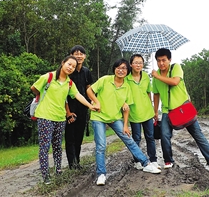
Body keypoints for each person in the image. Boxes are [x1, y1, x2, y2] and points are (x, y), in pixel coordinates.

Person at [86, 58, 161, 186]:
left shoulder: (127, 86)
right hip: (99, 116)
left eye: (124, 68)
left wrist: (126, 125)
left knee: (129, 140)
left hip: (115, 117)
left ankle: (146, 163)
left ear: (127, 71)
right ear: (114, 69)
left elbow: (127, 109)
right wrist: (96, 102)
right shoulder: (105, 80)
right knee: (101, 146)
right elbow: (89, 91)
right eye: (118, 68)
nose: (121, 70)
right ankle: (101, 174)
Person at [151, 48, 209, 175]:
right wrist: (155, 111)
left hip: (183, 109)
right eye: (158, 61)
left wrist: (157, 76)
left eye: (164, 60)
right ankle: (168, 161)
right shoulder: (155, 79)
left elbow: (174, 81)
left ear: (169, 60)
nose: (161, 63)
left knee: (198, 136)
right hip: (167, 111)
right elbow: (156, 95)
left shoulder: (176, 67)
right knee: (164, 136)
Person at [30, 55, 98, 185]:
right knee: (44, 147)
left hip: (60, 118)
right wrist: (42, 97)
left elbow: (78, 95)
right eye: (69, 64)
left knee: (57, 146)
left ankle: (58, 170)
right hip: (45, 116)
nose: (71, 68)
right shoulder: (48, 77)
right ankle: (45, 176)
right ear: (62, 63)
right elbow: (34, 88)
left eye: (73, 66)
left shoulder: (69, 83)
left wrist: (90, 105)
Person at [126, 54, 159, 170]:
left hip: (147, 112)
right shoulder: (126, 78)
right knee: (137, 138)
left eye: (140, 62)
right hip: (134, 113)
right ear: (131, 64)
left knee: (150, 137)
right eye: (135, 62)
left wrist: (154, 110)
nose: (138, 65)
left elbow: (149, 92)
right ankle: (138, 160)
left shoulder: (145, 76)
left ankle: (153, 159)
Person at [65, 45, 94, 170]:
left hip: (83, 108)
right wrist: (68, 112)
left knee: (79, 136)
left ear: (85, 56)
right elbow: (64, 93)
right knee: (70, 136)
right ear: (71, 56)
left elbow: (88, 87)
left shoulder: (86, 72)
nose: (79, 56)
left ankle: (77, 161)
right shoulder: (68, 72)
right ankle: (72, 164)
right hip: (70, 108)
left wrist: (93, 100)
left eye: (81, 53)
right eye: (76, 54)